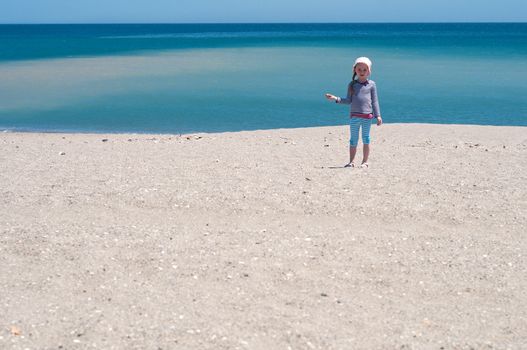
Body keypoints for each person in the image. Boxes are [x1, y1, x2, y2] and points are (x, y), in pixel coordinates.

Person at [325, 56, 382, 168]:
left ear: (369, 71)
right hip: (354, 117)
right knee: (353, 140)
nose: (362, 72)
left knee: (366, 138)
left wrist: (378, 116)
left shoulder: (372, 85)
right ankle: (351, 162)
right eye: (359, 69)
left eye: (364, 70)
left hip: (367, 117)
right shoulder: (352, 85)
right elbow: (348, 101)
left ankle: (365, 162)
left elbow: (375, 101)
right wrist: (335, 98)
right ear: (355, 70)